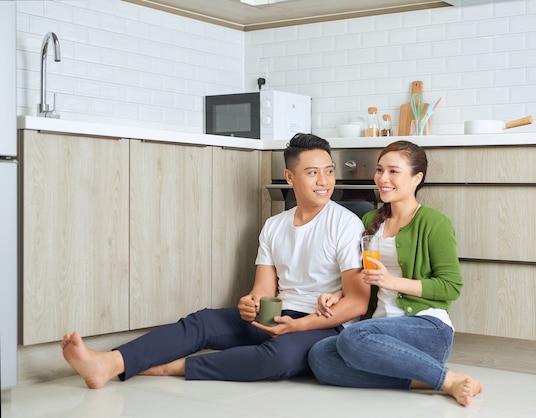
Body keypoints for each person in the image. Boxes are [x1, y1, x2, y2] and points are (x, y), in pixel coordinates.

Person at [61, 133, 370, 389]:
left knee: (276, 358)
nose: (324, 181)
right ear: (290, 177)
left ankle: (175, 367)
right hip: (278, 316)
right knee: (203, 321)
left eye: (329, 170)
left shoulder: (345, 224)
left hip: (323, 326)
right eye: (312, 172)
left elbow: (356, 303)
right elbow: (262, 289)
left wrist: (299, 325)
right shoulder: (275, 225)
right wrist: (252, 302)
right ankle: (109, 363)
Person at [307, 140, 483, 407]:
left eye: (393, 171)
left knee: (353, 337)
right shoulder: (370, 221)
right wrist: (338, 294)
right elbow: (367, 277)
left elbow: (450, 286)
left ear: (417, 178)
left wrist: (394, 282)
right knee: (320, 357)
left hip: (427, 327)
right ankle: (420, 379)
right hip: (380, 330)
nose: (382, 178)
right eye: (379, 170)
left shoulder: (434, 223)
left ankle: (447, 380)